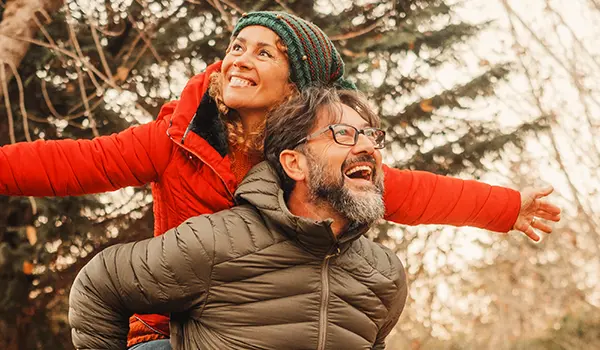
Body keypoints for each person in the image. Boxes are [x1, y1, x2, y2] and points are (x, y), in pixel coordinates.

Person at [2, 11, 560, 349]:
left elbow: (411, 190)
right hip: (172, 327)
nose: (238, 59)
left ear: (295, 86)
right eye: (235, 47)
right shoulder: (176, 139)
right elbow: (71, 162)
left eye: (263, 52)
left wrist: (506, 207)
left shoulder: (312, 154)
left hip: (264, 319)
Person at [69, 87, 411, 350]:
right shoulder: (216, 242)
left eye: (372, 135)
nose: (367, 146)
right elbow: (100, 285)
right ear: (295, 164)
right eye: (343, 134)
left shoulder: (384, 275)